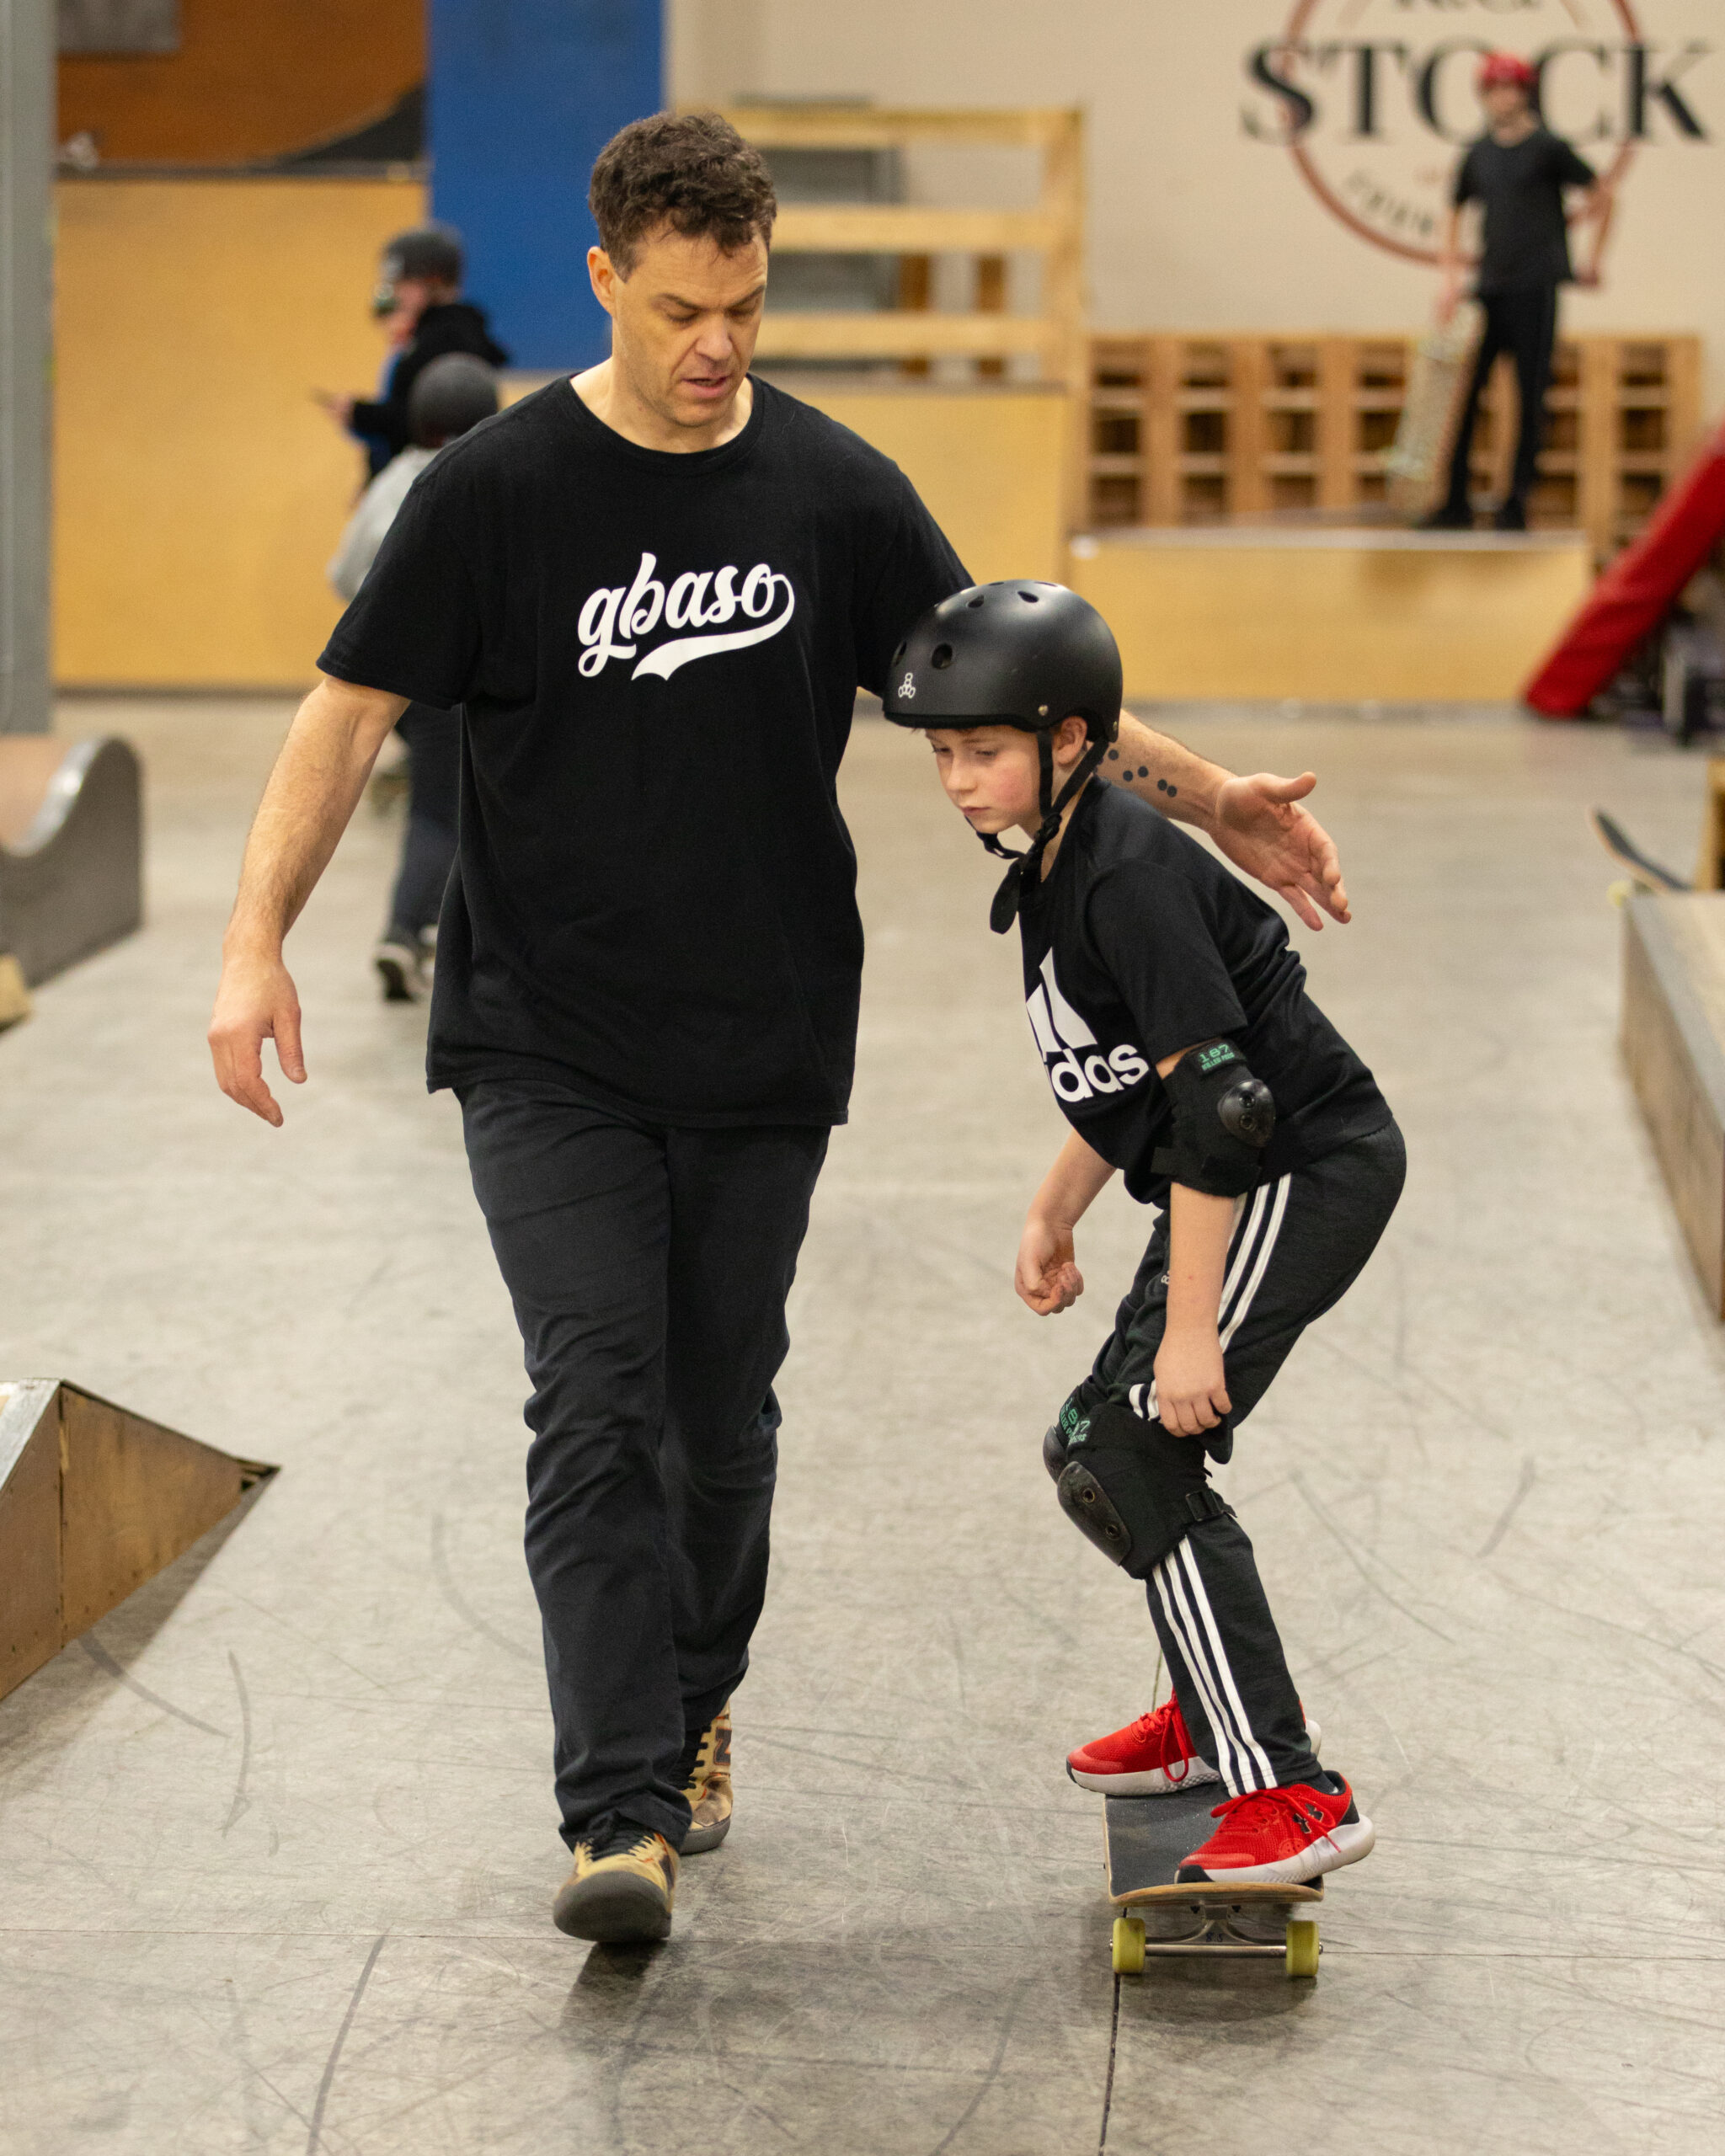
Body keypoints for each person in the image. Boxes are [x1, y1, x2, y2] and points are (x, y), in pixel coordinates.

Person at [208, 111, 1355, 1951]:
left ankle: (694, 1690)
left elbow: (1020, 685)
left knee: (717, 1423)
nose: (715, 346)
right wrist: (254, 937)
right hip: (544, 1041)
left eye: (741, 306)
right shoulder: (493, 492)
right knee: (593, 1400)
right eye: (679, 309)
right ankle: (619, 1804)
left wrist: (1214, 802)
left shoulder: (829, 491)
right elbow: (346, 716)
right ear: (603, 279)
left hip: (760, 1037)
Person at [885, 583, 1404, 1886]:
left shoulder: (1122, 875)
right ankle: (1205, 1701)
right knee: (1095, 1446)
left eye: (984, 751)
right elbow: (1131, 1079)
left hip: (1296, 1164)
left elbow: (1225, 1110)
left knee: (1137, 1438)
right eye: (943, 753)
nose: (957, 781)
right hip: (1219, 1163)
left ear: (1071, 744)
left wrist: (1186, 1336)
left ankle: (1291, 1793)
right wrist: (1053, 1207)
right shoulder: (1057, 861)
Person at [327, 354, 502, 1001]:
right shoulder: (489, 478)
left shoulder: (391, 480)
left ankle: (431, 930)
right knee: (450, 810)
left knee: (444, 803)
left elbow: (342, 574)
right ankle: (405, 932)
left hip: (397, 681)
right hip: (464, 680)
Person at [1422, 51, 1613, 532]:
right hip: (1489, 289)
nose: (1501, 97)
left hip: (1537, 288)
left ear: (1523, 92)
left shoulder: (1548, 147)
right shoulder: (1479, 153)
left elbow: (1602, 194)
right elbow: (1454, 212)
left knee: (1530, 398)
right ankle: (1454, 502)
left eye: (1509, 88)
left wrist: (1592, 259)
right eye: (1492, 89)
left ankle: (1515, 505)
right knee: (1465, 395)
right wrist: (1448, 282)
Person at [316, 225, 510, 481]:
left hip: (428, 480)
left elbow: (424, 422)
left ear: (434, 281)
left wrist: (360, 414)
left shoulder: (444, 339)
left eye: (402, 284)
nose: (396, 294)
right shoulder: (433, 335)